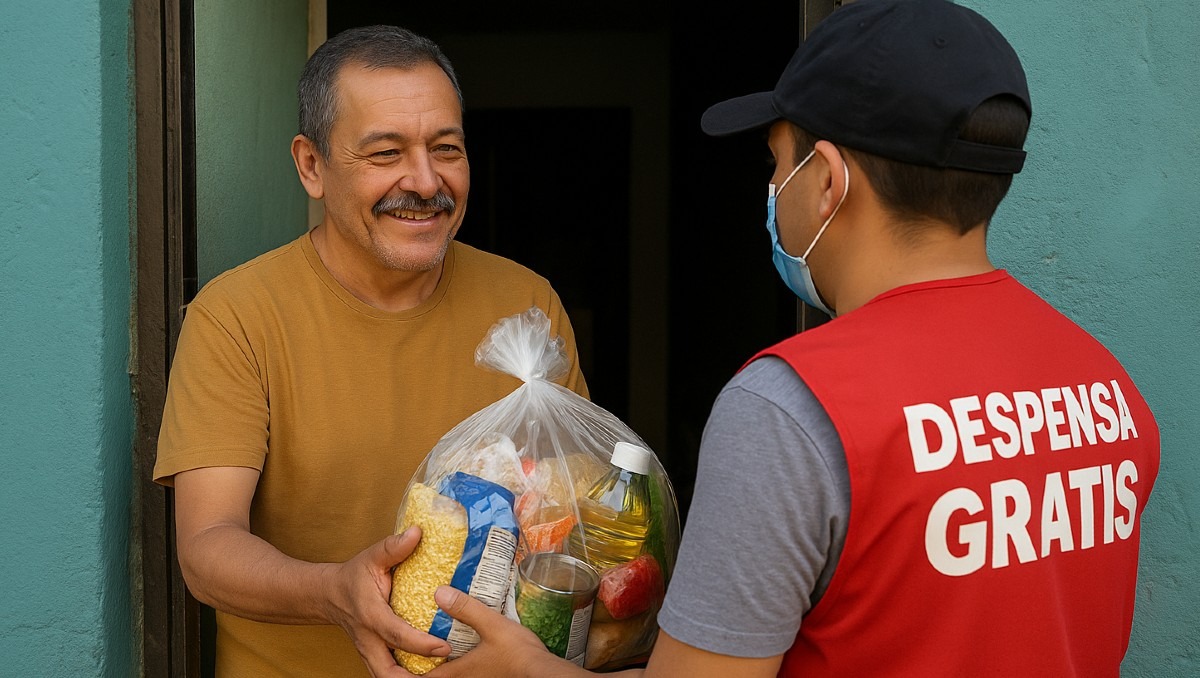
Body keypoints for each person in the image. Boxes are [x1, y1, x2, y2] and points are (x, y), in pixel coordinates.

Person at [425, 1, 1161, 676]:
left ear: (829, 181)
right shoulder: (1104, 386)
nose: (774, 190)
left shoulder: (790, 407)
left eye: (777, 165)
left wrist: (523, 666)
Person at [152, 25, 589, 677]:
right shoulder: (238, 315)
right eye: (386, 153)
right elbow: (207, 549)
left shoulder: (525, 304)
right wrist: (335, 592)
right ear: (311, 165)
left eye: (446, 148)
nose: (424, 181)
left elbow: (573, 516)